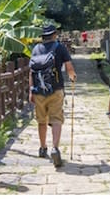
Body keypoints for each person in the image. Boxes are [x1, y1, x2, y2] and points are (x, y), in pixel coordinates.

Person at [29, 23, 76, 167]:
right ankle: (55, 148)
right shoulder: (59, 47)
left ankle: (43, 148)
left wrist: (31, 90)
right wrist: (73, 76)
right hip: (56, 89)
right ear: (54, 35)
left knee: (41, 120)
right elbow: (69, 68)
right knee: (56, 119)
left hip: (38, 90)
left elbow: (31, 71)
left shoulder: (36, 49)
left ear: (43, 36)